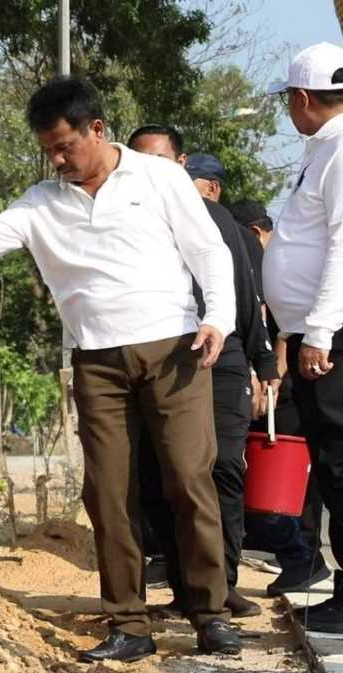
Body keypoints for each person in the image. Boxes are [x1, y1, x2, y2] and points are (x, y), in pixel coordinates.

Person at [0, 77, 241, 661]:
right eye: (48, 150)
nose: (58, 159)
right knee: (108, 493)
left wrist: (218, 316)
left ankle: (211, 613)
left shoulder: (158, 176)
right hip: (97, 360)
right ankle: (128, 625)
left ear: (97, 129)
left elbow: (208, 252)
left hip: (175, 350)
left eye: (66, 146)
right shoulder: (42, 203)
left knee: (190, 480)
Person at [125, 131, 279, 619]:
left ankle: (223, 582)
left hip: (223, 360)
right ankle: (183, 586)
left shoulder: (218, 220)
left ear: (181, 161)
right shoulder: (124, 220)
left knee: (221, 471)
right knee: (164, 476)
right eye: (141, 160)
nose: (152, 168)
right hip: (162, 362)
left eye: (162, 159)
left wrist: (264, 365)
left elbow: (246, 294)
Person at [264, 42, 343, 633]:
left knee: (341, 466)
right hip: (319, 333)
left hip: (332, 338)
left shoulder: (340, 150)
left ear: (301, 98)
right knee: (332, 465)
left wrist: (317, 331)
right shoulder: (324, 150)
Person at [229, 199, 331, 598]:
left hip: (285, 382)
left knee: (287, 472)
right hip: (276, 380)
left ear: (253, 234)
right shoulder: (270, 266)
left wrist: (273, 374)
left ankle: (303, 555)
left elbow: (286, 328)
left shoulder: (277, 266)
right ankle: (299, 554)